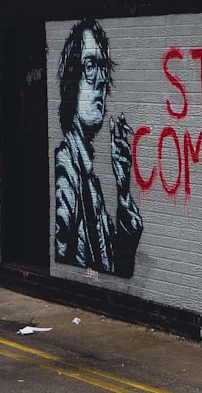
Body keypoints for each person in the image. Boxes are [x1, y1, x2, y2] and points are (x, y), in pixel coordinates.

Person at [52, 18, 143, 278]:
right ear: (72, 78)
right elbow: (63, 252)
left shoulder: (87, 178)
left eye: (103, 67)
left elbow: (119, 267)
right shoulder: (68, 169)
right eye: (91, 65)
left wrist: (123, 188)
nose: (101, 81)